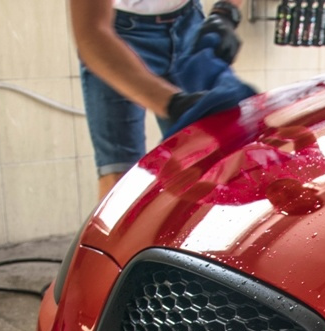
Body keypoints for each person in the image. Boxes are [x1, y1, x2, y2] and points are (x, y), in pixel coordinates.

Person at [69, 0, 244, 199]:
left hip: (188, 21)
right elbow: (91, 32)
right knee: (119, 180)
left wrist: (226, 12)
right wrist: (173, 104)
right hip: (114, 35)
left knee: (212, 164)